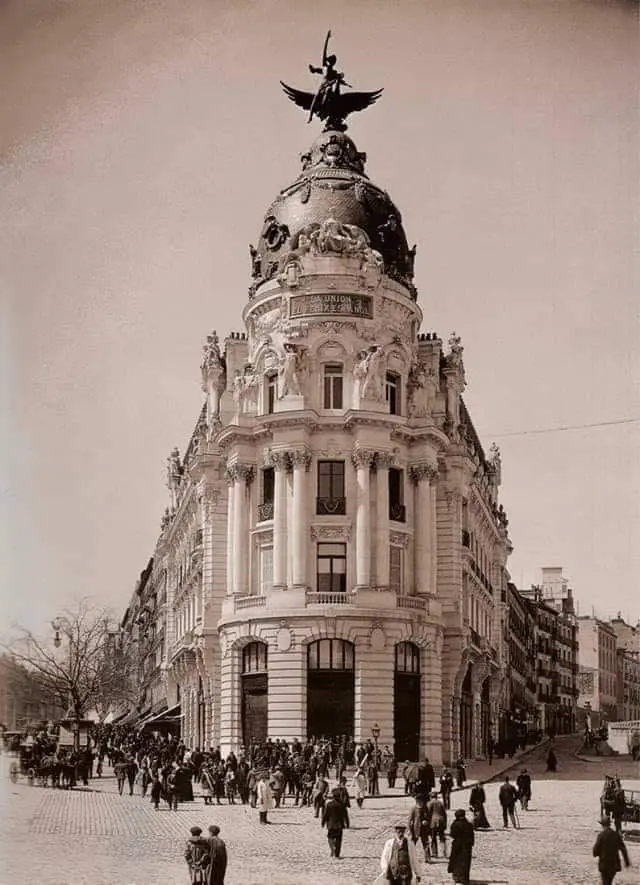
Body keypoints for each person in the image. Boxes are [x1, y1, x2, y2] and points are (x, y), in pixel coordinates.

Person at [592, 815, 630, 885]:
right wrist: (626, 861)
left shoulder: (601, 835)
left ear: (603, 825)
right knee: (609, 881)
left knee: (605, 882)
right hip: (614, 864)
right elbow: (623, 849)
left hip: (604, 863)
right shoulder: (616, 835)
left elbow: (595, 849)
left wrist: (596, 854)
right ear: (609, 824)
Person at [321, 787, 350, 858]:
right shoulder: (342, 805)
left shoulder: (329, 804)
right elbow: (345, 815)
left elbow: (325, 815)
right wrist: (347, 823)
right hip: (339, 825)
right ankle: (337, 854)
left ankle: (332, 850)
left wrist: (323, 822)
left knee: (330, 838)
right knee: (339, 840)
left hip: (330, 825)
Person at [448, 809, 474, 885]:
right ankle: (465, 878)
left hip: (457, 845)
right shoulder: (469, 824)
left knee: (456, 861)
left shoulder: (455, 824)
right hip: (467, 846)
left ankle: (457, 877)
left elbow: (452, 835)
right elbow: (472, 836)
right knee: (466, 863)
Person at [407, 794, 430, 863]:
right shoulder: (414, 808)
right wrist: (409, 830)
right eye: (419, 801)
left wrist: (427, 821)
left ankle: (427, 858)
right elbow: (410, 820)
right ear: (417, 801)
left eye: (422, 801)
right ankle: (410, 857)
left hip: (424, 829)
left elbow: (429, 817)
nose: (421, 803)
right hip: (415, 829)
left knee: (426, 843)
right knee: (413, 844)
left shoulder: (425, 808)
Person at [426, 789, 448, 859]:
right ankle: (444, 853)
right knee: (442, 837)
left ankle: (435, 853)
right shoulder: (441, 803)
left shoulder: (429, 803)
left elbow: (428, 814)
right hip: (441, 821)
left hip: (433, 822)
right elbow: (445, 814)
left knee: (433, 837)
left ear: (430, 796)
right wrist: (445, 823)